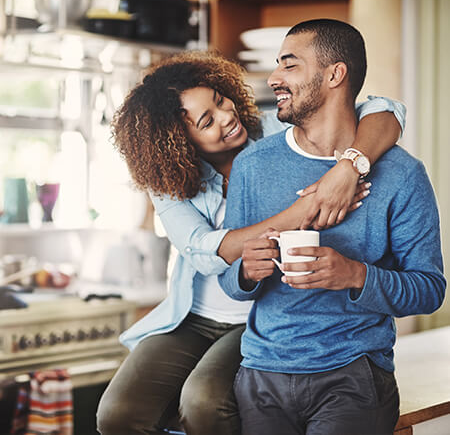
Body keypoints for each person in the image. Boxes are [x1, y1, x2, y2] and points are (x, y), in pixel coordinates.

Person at [96, 50, 406, 435]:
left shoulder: (279, 133)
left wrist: (348, 167)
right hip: (193, 317)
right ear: (176, 143)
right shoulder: (168, 181)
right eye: (207, 121)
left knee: (204, 401)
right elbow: (206, 251)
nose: (227, 117)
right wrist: (312, 203)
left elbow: (385, 110)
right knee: (117, 414)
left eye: (221, 101)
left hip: (260, 317)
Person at [218, 19, 446, 435]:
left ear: (334, 75)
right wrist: (246, 271)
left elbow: (430, 289)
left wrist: (354, 275)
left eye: (290, 66)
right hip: (261, 376)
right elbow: (230, 282)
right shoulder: (253, 165)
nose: (273, 79)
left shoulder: (402, 175)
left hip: (353, 375)